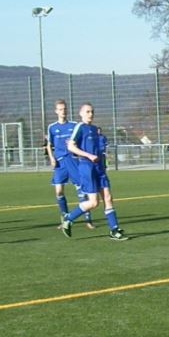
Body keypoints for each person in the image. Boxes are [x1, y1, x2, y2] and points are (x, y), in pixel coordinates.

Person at [61, 103, 127, 240]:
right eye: (87, 111)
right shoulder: (80, 127)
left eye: (92, 112)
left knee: (108, 197)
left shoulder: (95, 129)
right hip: (87, 167)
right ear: (81, 113)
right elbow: (71, 147)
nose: (90, 114)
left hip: (99, 168)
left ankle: (114, 230)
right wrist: (89, 155)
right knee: (93, 203)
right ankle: (69, 218)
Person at [47, 100, 93, 229]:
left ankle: (88, 220)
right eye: (60, 109)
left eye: (65, 109)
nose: (63, 111)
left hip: (73, 160)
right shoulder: (52, 127)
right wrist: (51, 158)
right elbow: (49, 145)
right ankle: (65, 217)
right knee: (59, 192)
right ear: (56, 111)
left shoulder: (74, 125)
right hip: (60, 163)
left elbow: (79, 141)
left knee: (81, 190)